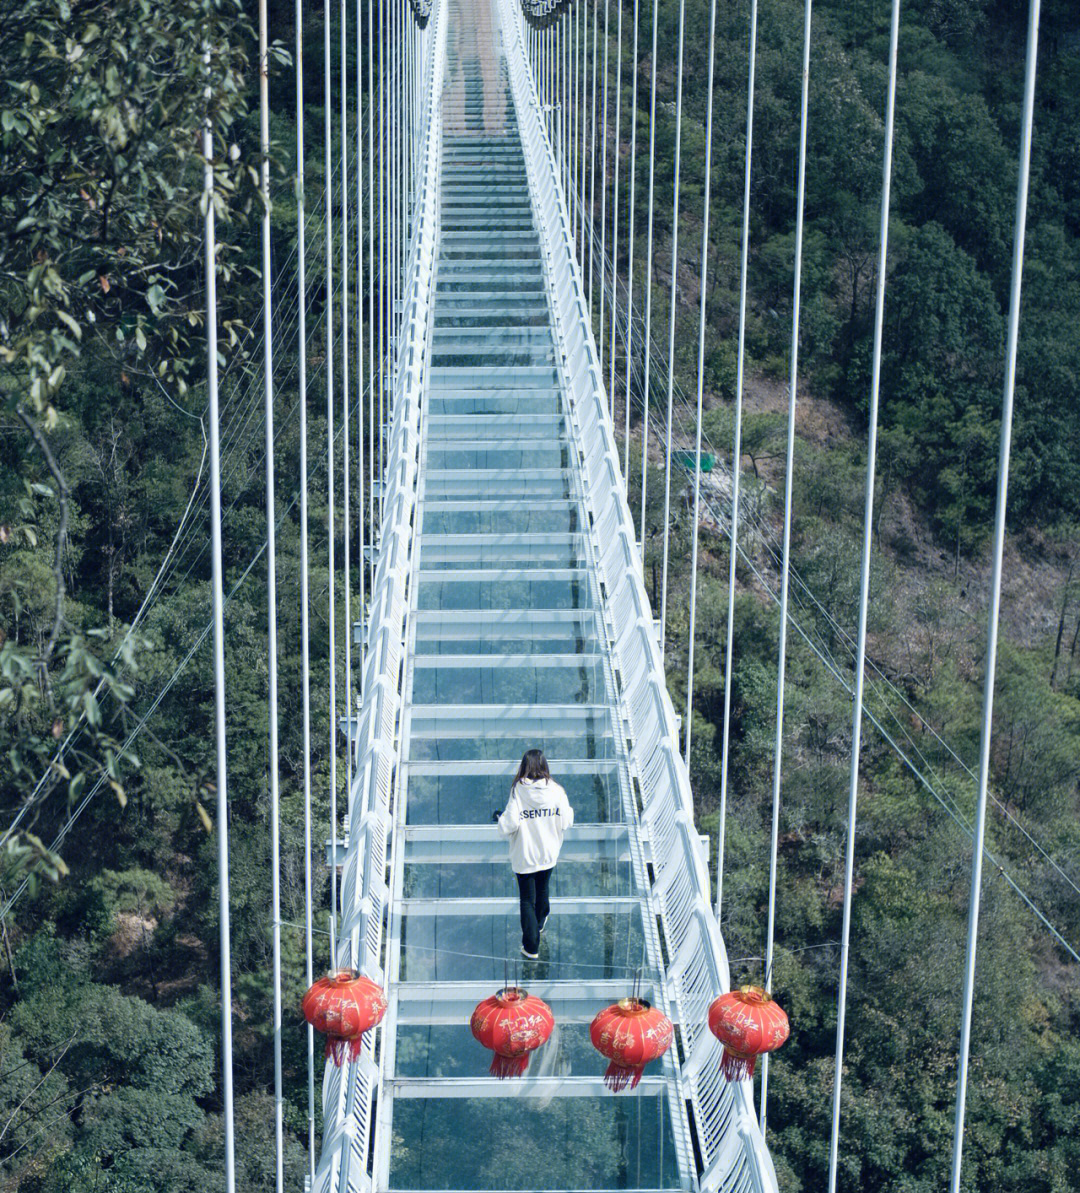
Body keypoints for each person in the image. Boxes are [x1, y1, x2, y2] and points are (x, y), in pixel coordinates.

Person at [494, 749, 574, 959]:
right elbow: (567, 820)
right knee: (543, 888)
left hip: (525, 853)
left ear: (524, 766)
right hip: (548, 852)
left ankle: (531, 947)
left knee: (527, 899)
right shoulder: (557, 791)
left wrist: (499, 820)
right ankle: (539, 922)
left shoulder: (518, 790)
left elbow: (509, 824)